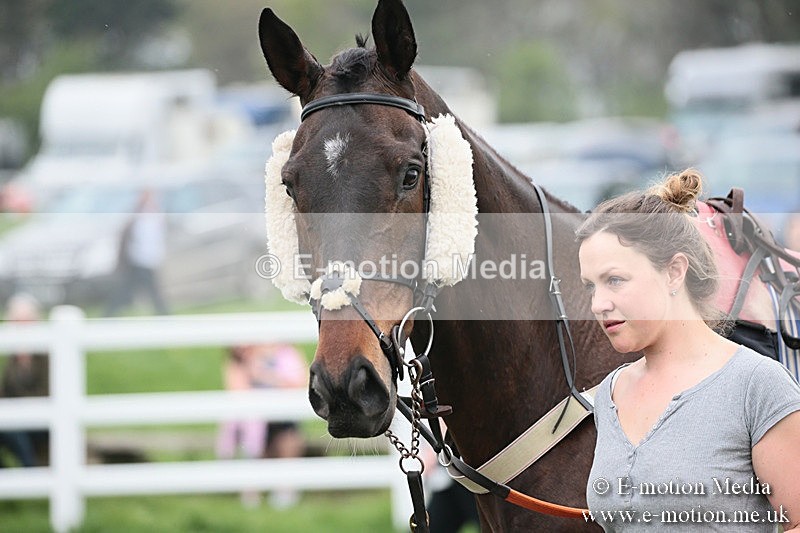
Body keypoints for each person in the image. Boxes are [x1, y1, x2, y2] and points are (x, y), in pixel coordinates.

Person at [576, 169, 800, 531]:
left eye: (614, 280)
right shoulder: (609, 394)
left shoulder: (757, 385)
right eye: (591, 286)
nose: (597, 304)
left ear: (674, 272)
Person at [216, 343, 307, 508]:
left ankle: (284, 488)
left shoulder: (287, 354)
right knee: (250, 433)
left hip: (281, 415)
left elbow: (299, 385)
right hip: (254, 419)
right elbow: (238, 392)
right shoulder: (240, 359)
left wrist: (264, 376)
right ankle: (252, 489)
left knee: (287, 436)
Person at [0, 293, 49, 468]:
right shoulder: (11, 358)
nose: (21, 326)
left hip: (41, 422)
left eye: (26, 321)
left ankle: (30, 470)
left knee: (13, 430)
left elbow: (47, 393)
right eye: (17, 321)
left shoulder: (46, 355)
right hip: (17, 421)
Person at [104, 189, 169, 316]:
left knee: (129, 289)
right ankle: (165, 315)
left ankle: (109, 314)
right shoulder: (139, 217)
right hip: (138, 259)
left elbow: (154, 240)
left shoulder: (154, 217)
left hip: (146, 260)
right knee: (141, 290)